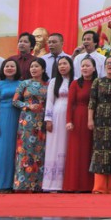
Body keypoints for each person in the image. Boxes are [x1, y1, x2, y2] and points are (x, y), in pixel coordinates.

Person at [13, 58, 49, 192]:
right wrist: (27, 105)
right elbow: (15, 101)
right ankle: (22, 185)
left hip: (41, 121)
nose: (33, 69)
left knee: (39, 151)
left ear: (43, 69)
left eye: (36, 66)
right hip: (26, 121)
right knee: (24, 151)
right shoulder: (25, 83)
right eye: (32, 66)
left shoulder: (48, 85)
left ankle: (37, 185)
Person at [88, 55, 111, 194]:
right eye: (107, 63)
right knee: (99, 152)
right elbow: (92, 101)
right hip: (100, 119)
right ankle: (99, 187)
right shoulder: (98, 81)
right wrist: (90, 119)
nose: (110, 65)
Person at [63, 56, 97, 192]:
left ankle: (89, 185)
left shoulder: (97, 83)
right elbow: (70, 104)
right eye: (83, 66)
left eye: (88, 65)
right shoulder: (75, 83)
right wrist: (69, 121)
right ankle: (74, 185)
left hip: (94, 119)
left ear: (94, 68)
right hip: (78, 119)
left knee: (89, 150)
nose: (85, 68)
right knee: (76, 151)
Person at [42, 56, 74, 191]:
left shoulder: (75, 81)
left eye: (65, 64)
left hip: (70, 117)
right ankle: (52, 183)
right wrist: (48, 120)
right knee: (54, 146)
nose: (62, 66)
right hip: (56, 115)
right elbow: (49, 101)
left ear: (71, 65)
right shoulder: (54, 82)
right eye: (60, 64)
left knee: (68, 145)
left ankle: (67, 182)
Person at [0, 58, 21, 191]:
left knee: (18, 151)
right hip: (3, 118)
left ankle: (17, 183)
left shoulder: (22, 84)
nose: (9, 68)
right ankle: (1, 184)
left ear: (17, 69)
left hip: (19, 118)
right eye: (7, 66)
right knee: (3, 151)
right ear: (2, 69)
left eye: (12, 66)